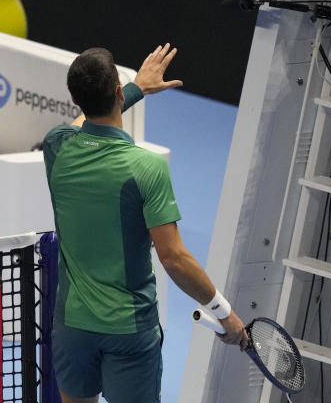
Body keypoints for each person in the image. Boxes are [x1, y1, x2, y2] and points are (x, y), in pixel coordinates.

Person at [42, 44, 247, 403]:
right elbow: (175, 259)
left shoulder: (56, 147)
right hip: (129, 331)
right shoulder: (146, 168)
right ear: (118, 93)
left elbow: (79, 125)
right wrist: (224, 313)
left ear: (74, 98)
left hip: (72, 327)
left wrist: (134, 89)